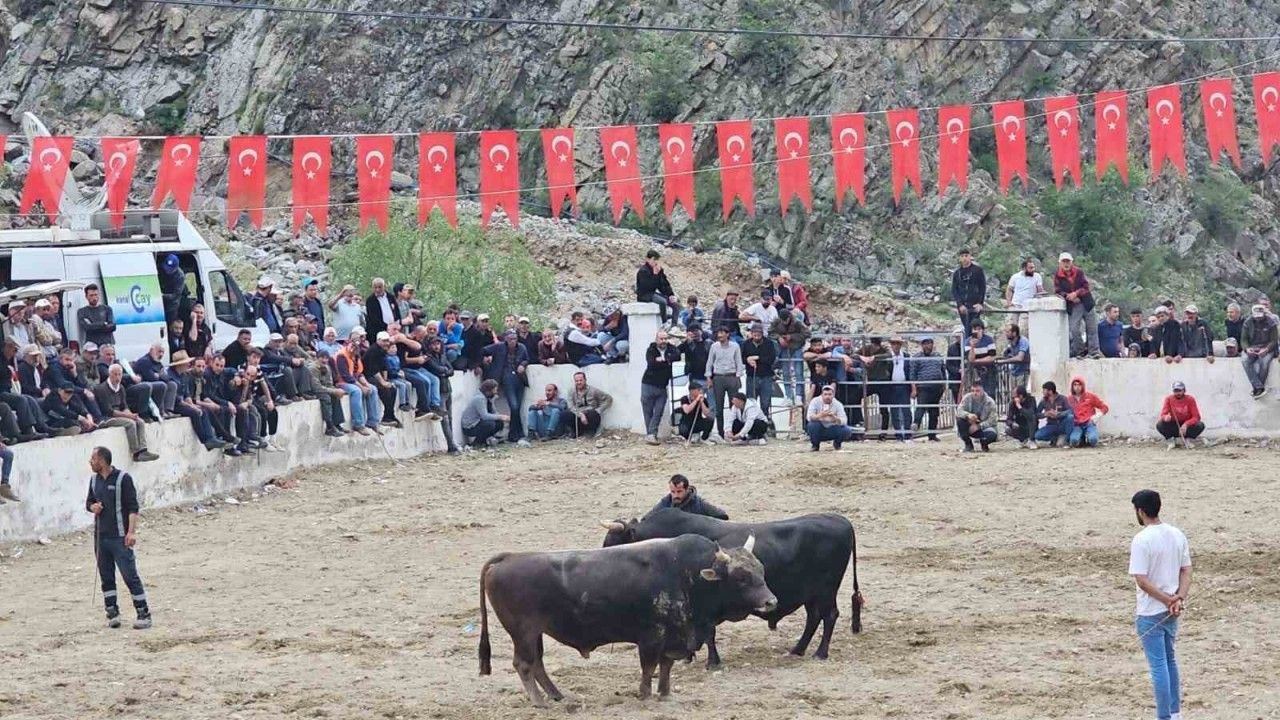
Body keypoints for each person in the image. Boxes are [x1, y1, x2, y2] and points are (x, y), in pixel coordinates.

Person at [1128, 489, 1191, 720]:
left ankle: (1164, 716)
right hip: (1171, 610)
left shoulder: (1142, 539)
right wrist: (1178, 598)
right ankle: (1175, 713)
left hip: (1151, 610)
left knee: (1158, 666)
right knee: (1170, 661)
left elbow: (1142, 580)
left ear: (1140, 511)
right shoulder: (1176, 534)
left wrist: (1167, 599)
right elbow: (1186, 570)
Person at [86, 446, 152, 630]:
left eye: (93, 458)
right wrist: (93, 507)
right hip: (101, 537)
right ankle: (112, 613)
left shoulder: (123, 479)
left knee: (130, 576)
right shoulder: (93, 481)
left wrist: (131, 532)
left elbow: (133, 507)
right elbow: (88, 502)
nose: (90, 462)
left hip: (119, 536)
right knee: (106, 576)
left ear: (102, 460)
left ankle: (143, 613)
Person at [92, 364, 159, 462]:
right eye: (115, 374)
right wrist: (128, 416)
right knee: (130, 423)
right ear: (110, 375)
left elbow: (124, 406)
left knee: (140, 421)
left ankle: (143, 450)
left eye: (119, 374)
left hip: (119, 414)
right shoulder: (101, 389)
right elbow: (109, 411)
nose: (117, 377)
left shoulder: (121, 388)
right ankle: (135, 452)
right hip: (107, 417)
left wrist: (132, 415)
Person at [482, 330, 530, 444]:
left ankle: (515, 434)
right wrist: (485, 359)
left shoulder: (522, 347)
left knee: (518, 407)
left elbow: (527, 359)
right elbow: (482, 350)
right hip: (506, 377)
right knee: (514, 406)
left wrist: (523, 365)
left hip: (520, 378)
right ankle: (516, 434)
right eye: (510, 339)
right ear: (506, 339)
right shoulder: (499, 347)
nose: (513, 341)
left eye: (514, 339)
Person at [1054, 252, 1101, 358]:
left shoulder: (1079, 272)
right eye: (1064, 261)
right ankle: (1080, 351)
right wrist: (1068, 296)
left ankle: (1094, 352)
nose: (1066, 264)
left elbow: (1086, 286)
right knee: (1074, 329)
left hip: (1087, 302)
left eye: (1068, 261)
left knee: (1092, 328)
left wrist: (1076, 293)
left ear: (1071, 262)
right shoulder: (1058, 275)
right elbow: (1058, 291)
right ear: (1060, 263)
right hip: (1074, 305)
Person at [640, 329, 680, 445]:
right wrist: (666, 362)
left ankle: (651, 434)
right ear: (656, 339)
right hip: (648, 384)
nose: (663, 341)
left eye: (665, 338)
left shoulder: (671, 349)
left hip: (662, 386)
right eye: (661, 339)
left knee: (658, 411)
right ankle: (651, 434)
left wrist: (664, 360)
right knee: (648, 411)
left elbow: (677, 356)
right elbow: (651, 363)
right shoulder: (651, 350)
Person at [336, 329, 379, 435]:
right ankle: (358, 424)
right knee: (356, 391)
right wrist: (361, 387)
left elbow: (358, 373)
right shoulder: (342, 355)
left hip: (353, 380)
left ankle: (373, 422)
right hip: (342, 382)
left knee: (373, 389)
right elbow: (346, 377)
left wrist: (366, 384)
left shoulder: (356, 355)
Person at [705, 326, 743, 439]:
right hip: (718, 377)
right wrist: (708, 377)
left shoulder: (735, 346)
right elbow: (709, 362)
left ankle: (733, 431)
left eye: (722, 333)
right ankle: (720, 432)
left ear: (727, 334)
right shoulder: (714, 346)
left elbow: (739, 362)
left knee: (734, 405)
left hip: (731, 376)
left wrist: (738, 376)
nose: (720, 335)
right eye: (718, 333)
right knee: (719, 406)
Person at [769, 307, 809, 407]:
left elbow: (807, 333)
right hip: (784, 349)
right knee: (786, 373)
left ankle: (799, 396)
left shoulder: (797, 322)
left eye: (786, 320)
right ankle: (789, 396)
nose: (784, 322)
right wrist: (779, 338)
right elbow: (770, 332)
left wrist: (792, 337)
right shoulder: (776, 321)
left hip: (797, 348)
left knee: (798, 372)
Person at [908, 337, 946, 441]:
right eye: (925, 344)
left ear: (932, 345)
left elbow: (943, 370)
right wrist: (914, 389)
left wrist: (944, 384)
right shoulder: (916, 358)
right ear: (922, 345)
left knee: (934, 412)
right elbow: (912, 374)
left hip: (937, 387)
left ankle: (932, 435)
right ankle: (915, 425)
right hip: (923, 387)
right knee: (921, 407)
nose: (927, 346)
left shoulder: (938, 356)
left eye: (929, 343)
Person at [362, 332, 402, 429]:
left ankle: (389, 415)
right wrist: (383, 382)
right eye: (384, 341)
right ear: (378, 340)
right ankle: (387, 417)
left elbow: (384, 367)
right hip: (367, 376)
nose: (386, 343)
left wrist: (386, 380)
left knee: (392, 389)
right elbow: (373, 370)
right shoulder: (373, 350)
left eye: (387, 341)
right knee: (384, 389)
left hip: (376, 375)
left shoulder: (383, 350)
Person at [740, 323, 777, 420]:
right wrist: (748, 360)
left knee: (765, 403)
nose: (756, 336)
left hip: (766, 376)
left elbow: (772, 359)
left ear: (762, 334)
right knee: (751, 403)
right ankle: (751, 423)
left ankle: (764, 422)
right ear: (751, 334)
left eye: (759, 334)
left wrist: (758, 358)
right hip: (751, 376)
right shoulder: (746, 344)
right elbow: (741, 358)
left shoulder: (769, 343)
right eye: (754, 334)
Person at [650, 474, 729, 519]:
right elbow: (647, 518)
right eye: (673, 492)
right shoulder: (666, 502)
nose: (675, 495)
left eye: (679, 491)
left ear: (687, 489)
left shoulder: (699, 503)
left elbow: (722, 515)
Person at [858, 336, 893, 439]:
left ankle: (883, 432)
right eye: (873, 345)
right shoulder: (866, 348)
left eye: (876, 346)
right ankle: (859, 423)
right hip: (871, 381)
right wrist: (862, 357)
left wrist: (874, 357)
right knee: (856, 397)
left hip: (883, 381)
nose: (874, 348)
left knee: (884, 408)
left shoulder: (884, 349)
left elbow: (889, 354)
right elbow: (854, 354)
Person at [1241, 303, 1278, 398]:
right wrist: (1247, 348)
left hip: (1267, 347)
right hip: (1252, 346)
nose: (1258, 318)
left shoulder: (1271, 323)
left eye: (1260, 316)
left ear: (1264, 314)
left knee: (1264, 363)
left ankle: (1258, 389)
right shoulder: (1247, 323)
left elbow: (1274, 340)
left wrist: (1266, 349)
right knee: (1245, 360)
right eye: (1256, 316)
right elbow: (1244, 339)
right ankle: (1259, 387)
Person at [133, 342, 179, 416]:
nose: (161, 354)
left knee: (172, 384)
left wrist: (159, 376)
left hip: (155, 383)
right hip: (143, 386)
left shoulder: (158, 363)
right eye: (159, 351)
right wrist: (160, 376)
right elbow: (151, 378)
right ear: (151, 350)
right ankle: (160, 412)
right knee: (161, 385)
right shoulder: (144, 361)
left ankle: (168, 410)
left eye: (163, 352)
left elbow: (167, 377)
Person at [1157, 382, 1205, 451]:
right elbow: (1163, 414)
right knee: (1160, 424)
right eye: (1175, 391)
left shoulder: (1190, 399)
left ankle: (1187, 440)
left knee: (1200, 425)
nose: (1177, 393)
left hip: (1187, 426)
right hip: (1174, 424)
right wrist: (1166, 418)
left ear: (1184, 390)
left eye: (1179, 390)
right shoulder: (1169, 399)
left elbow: (1196, 417)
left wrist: (1186, 424)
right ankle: (1171, 440)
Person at [635, 249, 678, 325]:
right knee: (662, 302)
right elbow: (647, 287)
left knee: (674, 304)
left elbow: (664, 284)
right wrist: (655, 275)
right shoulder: (643, 271)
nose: (655, 262)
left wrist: (670, 294)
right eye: (654, 259)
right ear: (648, 259)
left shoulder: (658, 269)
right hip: (644, 295)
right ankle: (664, 322)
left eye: (656, 260)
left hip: (653, 293)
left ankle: (674, 325)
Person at [462, 379, 508, 448]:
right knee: (490, 424)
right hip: (470, 426)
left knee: (499, 423)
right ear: (489, 391)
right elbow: (485, 416)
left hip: (478, 422)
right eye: (494, 390)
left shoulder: (487, 398)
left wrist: (492, 401)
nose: (496, 392)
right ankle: (477, 442)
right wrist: (500, 416)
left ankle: (486, 439)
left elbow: (494, 412)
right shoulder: (480, 399)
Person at [805, 384, 853, 451]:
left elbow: (844, 420)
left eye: (830, 394)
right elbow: (809, 417)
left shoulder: (838, 404)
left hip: (832, 428)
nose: (827, 397)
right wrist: (820, 415)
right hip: (819, 428)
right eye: (825, 394)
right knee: (812, 425)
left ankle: (837, 444)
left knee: (847, 430)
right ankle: (815, 445)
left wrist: (835, 418)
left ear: (833, 395)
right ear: (822, 395)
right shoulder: (815, 401)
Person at [951, 249, 986, 337]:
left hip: (975, 305)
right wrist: (960, 304)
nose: (964, 258)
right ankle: (967, 344)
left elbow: (982, 287)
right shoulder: (957, 273)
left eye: (966, 256)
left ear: (970, 257)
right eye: (962, 256)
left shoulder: (978, 270)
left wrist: (980, 303)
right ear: (959, 258)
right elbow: (954, 290)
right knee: (966, 328)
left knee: (974, 328)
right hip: (963, 306)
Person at [1066, 376, 1108, 448]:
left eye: (1079, 385)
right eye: (1075, 385)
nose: (1077, 387)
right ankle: (1081, 438)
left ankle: (1089, 438)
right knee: (1074, 441)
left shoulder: (1090, 396)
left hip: (1089, 423)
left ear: (1083, 386)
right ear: (1072, 386)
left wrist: (1097, 416)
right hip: (1077, 425)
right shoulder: (1069, 399)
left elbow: (1105, 407)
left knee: (1093, 440)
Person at [566, 371, 612, 438]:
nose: (579, 382)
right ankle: (575, 431)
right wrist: (580, 414)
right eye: (576, 381)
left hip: (590, 414)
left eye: (581, 380)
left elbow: (608, 399)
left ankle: (591, 431)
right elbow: (571, 406)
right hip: (578, 414)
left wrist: (598, 410)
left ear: (585, 380)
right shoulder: (571, 391)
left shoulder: (594, 390)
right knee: (565, 414)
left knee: (593, 414)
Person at [1004, 258, 1043, 335]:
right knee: (1010, 328)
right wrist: (1009, 302)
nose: (1033, 270)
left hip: (1027, 307)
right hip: (1015, 305)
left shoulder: (1037, 276)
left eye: (1033, 267)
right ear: (1024, 268)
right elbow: (1009, 289)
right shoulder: (1015, 277)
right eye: (1030, 268)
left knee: (1022, 330)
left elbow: (1040, 290)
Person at [956, 383, 998, 452]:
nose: (975, 393)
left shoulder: (990, 402)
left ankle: (984, 444)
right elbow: (959, 411)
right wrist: (968, 415)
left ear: (983, 391)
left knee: (992, 434)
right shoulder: (967, 398)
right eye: (972, 391)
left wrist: (979, 426)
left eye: (977, 391)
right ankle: (968, 445)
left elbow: (992, 420)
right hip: (970, 425)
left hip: (984, 428)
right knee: (960, 420)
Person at [884, 337, 912, 442]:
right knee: (894, 411)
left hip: (904, 386)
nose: (895, 345)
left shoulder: (906, 356)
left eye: (898, 343)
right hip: (891, 386)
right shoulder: (887, 356)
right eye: (893, 343)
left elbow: (910, 371)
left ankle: (908, 434)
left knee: (906, 411)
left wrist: (912, 386)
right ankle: (899, 435)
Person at [1032, 381, 1073, 447]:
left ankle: (1067, 439)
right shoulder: (1043, 401)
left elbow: (1070, 411)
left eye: (1044, 390)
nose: (1042, 392)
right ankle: (1054, 438)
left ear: (1050, 391)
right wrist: (1046, 414)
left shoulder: (1063, 398)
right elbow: (1036, 414)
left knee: (1070, 417)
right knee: (1038, 435)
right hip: (1051, 425)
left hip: (1062, 424)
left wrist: (1059, 414)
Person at [966, 320, 997, 393]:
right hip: (974, 372)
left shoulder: (989, 340)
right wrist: (972, 346)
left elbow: (992, 357)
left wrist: (976, 361)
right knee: (975, 392)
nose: (977, 331)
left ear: (983, 330)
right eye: (975, 329)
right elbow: (970, 359)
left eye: (979, 329)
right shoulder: (968, 341)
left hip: (989, 371)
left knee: (990, 393)